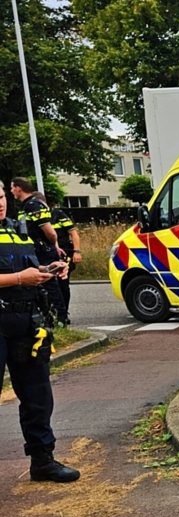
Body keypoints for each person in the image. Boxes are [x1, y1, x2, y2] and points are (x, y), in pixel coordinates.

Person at [0, 181, 79, 482]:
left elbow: (29, 268)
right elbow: (18, 275)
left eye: (2, 197)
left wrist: (49, 270)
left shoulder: (18, 229)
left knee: (38, 396)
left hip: (25, 324)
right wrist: (21, 277)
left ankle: (43, 460)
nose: (0, 203)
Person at [9, 178, 69, 326]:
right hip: (33, 249)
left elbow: (50, 232)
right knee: (40, 284)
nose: (10, 191)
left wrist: (51, 246)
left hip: (42, 250)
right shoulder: (25, 206)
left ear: (18, 188)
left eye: (12, 188)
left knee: (50, 284)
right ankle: (47, 316)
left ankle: (60, 317)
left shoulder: (33, 205)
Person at [33, 192, 80, 314]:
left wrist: (77, 251)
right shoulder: (35, 217)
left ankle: (64, 312)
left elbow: (73, 233)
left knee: (62, 284)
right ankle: (50, 312)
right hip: (44, 253)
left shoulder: (57, 214)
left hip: (63, 253)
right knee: (46, 285)